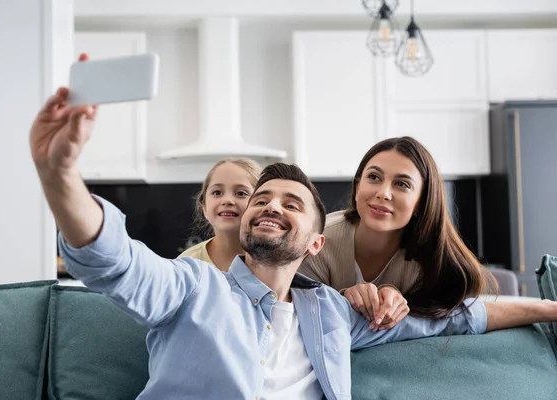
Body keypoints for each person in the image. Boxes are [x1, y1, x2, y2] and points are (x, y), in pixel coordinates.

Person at [31, 83, 557, 400]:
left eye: (292, 203)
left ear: (315, 243)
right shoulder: (193, 287)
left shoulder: (333, 313)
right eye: (261, 199)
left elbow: (459, 315)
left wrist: (550, 309)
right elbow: (116, 262)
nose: (270, 206)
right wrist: (60, 176)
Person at [299, 136, 497, 330]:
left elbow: (457, 314)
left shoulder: (430, 257)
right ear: (358, 186)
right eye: (374, 177)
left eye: (402, 184)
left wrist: (404, 301)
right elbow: (299, 319)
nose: (383, 193)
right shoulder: (313, 241)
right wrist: (342, 299)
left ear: (421, 201)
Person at [178, 158, 261, 271]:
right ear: (204, 206)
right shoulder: (186, 266)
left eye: (241, 193)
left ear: (261, 204)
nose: (227, 200)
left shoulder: (274, 262)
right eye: (217, 192)